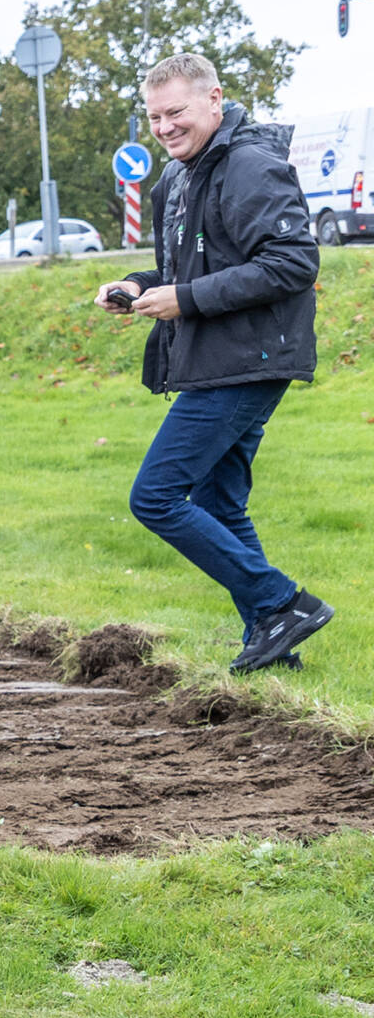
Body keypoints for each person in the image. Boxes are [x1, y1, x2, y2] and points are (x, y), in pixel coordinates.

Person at [97, 52, 328, 673]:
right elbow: (184, 270)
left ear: (214, 99)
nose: (164, 127)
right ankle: (273, 644)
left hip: (248, 360)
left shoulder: (249, 165)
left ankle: (283, 603)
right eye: (154, 117)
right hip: (215, 359)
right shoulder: (179, 176)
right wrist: (137, 285)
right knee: (220, 505)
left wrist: (186, 299)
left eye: (175, 112)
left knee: (156, 497)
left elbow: (294, 263)